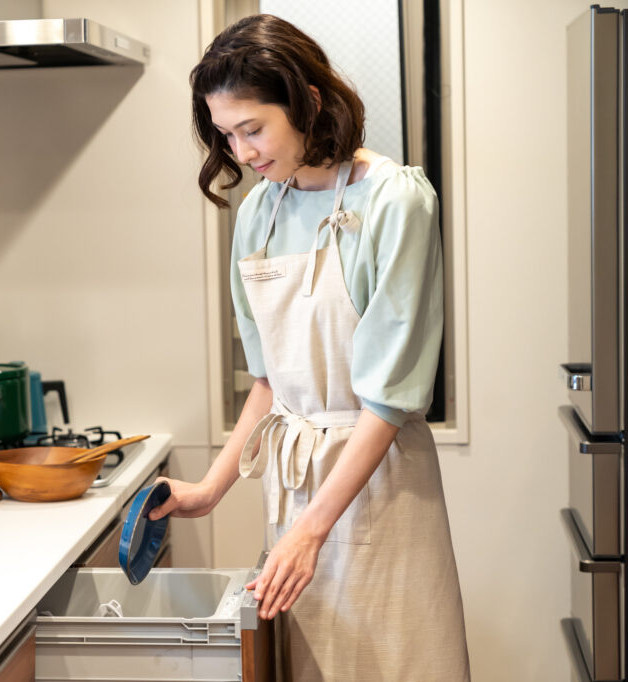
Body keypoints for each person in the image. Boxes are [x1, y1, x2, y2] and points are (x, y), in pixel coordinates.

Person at [148, 14, 471, 681]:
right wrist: (210, 491)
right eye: (225, 134)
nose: (242, 152)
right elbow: (269, 383)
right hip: (293, 498)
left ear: (308, 102)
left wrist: (313, 531)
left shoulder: (394, 201)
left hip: (379, 489)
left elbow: (389, 400)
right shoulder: (259, 214)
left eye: (253, 128)